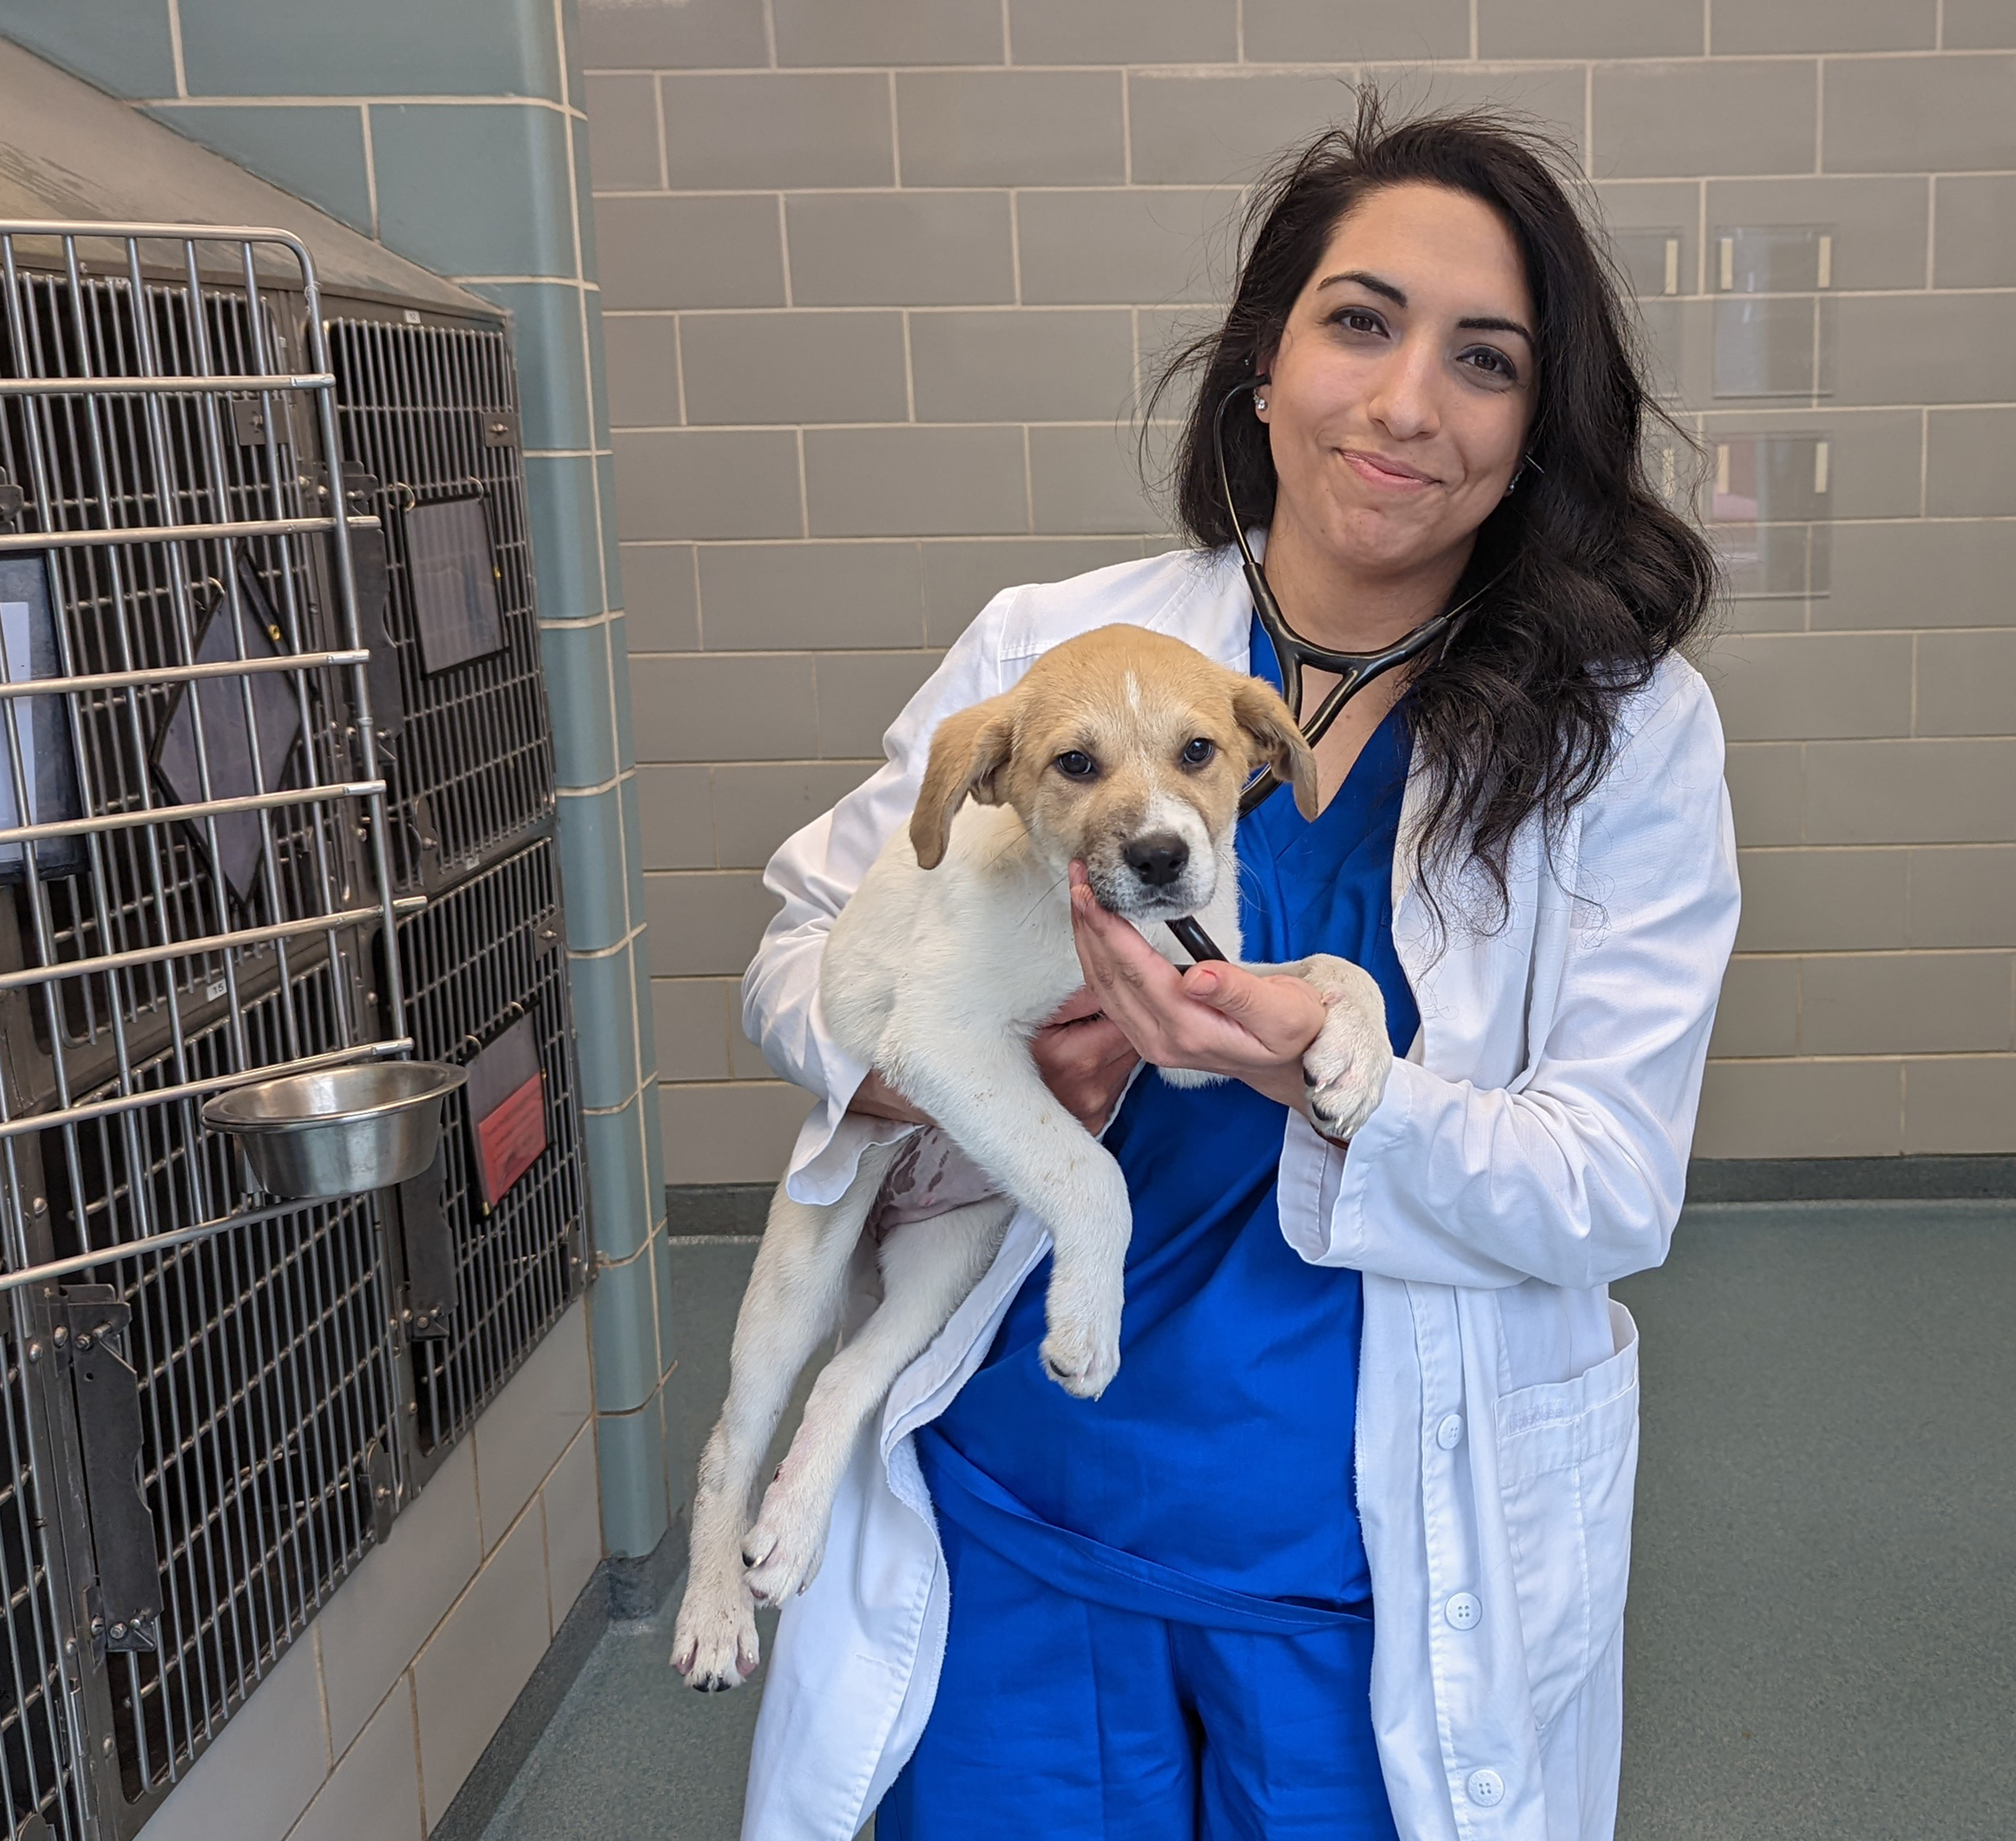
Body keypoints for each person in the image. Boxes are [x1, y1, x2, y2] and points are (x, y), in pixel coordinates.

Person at [734, 98, 1741, 1841]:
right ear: (1264, 365)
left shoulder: (1624, 734)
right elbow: (801, 952)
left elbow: (1613, 1182)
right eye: (1360, 322)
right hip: (1015, 1508)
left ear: (1536, 427)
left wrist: (1329, 1075)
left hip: (1363, 1557)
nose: (1407, 400)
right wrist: (933, 1065)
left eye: (1485, 360)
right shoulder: (1052, 650)